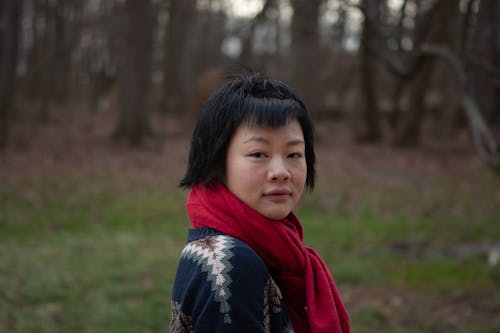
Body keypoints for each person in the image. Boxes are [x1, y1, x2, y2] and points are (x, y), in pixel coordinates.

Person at [170, 73, 350, 333]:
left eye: (293, 154)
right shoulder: (230, 266)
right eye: (258, 154)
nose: (281, 171)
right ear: (217, 162)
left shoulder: (250, 249)